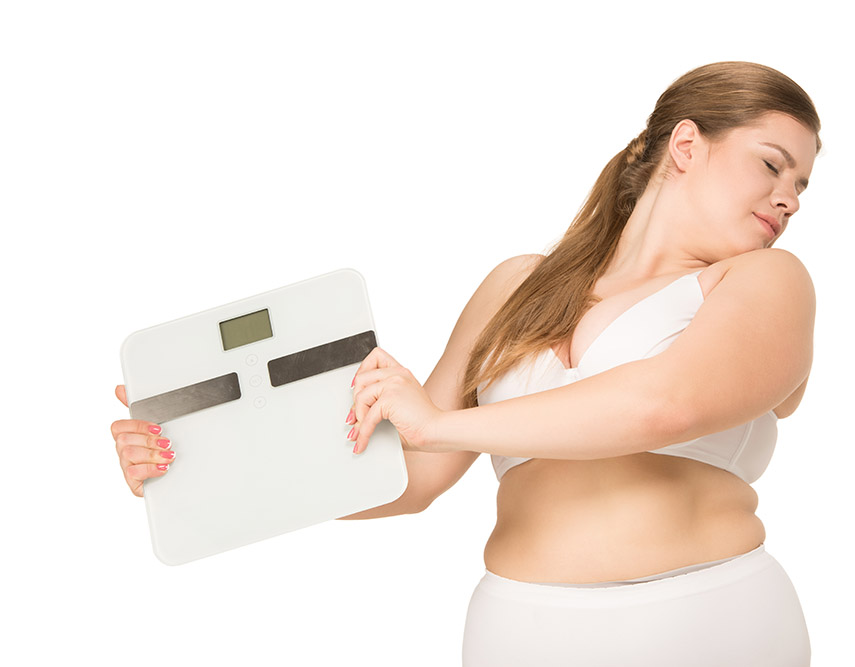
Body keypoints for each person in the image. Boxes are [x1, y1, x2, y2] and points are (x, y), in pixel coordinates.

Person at [112, 61, 819, 666]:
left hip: (703, 621)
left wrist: (436, 421)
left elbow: (663, 405)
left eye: (802, 185)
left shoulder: (765, 283)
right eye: (771, 163)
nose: (788, 198)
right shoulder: (519, 285)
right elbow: (412, 477)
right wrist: (195, 472)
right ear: (687, 145)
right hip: (518, 628)